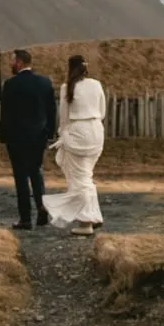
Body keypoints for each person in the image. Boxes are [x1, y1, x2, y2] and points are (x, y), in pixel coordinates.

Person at [43, 54, 106, 237]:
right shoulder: (96, 84)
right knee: (86, 176)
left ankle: (86, 223)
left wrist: (63, 136)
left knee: (79, 179)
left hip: (78, 131)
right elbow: (101, 111)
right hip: (96, 130)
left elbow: (64, 117)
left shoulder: (67, 88)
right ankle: (94, 216)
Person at [0, 47, 56, 229]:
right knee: (36, 172)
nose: (10, 64)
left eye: (13, 61)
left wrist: (4, 136)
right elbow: (51, 111)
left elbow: (6, 114)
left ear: (20, 63)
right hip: (38, 136)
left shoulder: (11, 84)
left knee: (21, 177)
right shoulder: (45, 83)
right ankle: (42, 208)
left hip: (17, 137)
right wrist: (49, 133)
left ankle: (25, 218)